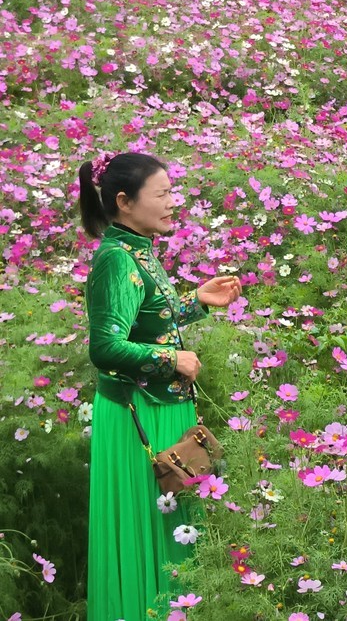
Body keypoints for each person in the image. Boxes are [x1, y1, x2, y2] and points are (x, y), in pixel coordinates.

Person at [79, 152, 242, 621]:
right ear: (126, 202)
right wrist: (171, 358)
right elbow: (106, 347)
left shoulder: (137, 247)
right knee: (148, 525)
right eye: (164, 194)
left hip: (161, 407)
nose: (174, 203)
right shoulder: (115, 259)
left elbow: (146, 322)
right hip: (138, 415)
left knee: (171, 522)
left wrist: (196, 301)